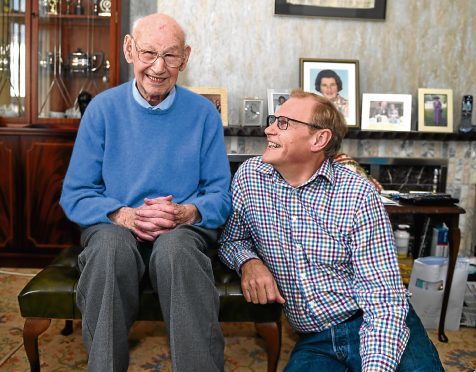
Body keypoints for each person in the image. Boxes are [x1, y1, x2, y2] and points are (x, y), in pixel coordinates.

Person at [218, 89, 444, 371]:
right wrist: (249, 262)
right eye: (273, 120)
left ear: (319, 139)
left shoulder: (357, 194)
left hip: (374, 318)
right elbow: (231, 239)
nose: (268, 130)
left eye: (283, 123)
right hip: (315, 339)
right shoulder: (251, 178)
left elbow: (383, 300)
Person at [60, 13, 231, 372]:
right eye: (148, 53)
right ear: (129, 50)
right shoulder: (102, 110)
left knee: (176, 251)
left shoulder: (204, 114)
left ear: (185, 58)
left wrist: (185, 212)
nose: (158, 66)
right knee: (109, 250)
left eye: (170, 56)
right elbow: (76, 193)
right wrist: (124, 215)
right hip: (113, 225)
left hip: (182, 230)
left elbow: (220, 194)